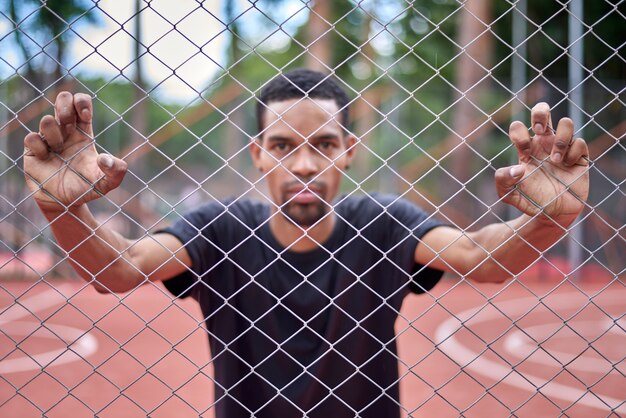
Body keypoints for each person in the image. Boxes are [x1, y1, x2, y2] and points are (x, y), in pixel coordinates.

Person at [23, 69, 589, 417]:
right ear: (257, 154)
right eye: (282, 144)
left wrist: (547, 222)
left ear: (349, 150)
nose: (303, 164)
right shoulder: (220, 230)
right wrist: (64, 209)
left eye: (322, 144)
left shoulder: (382, 224)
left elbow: (477, 256)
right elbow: (117, 270)